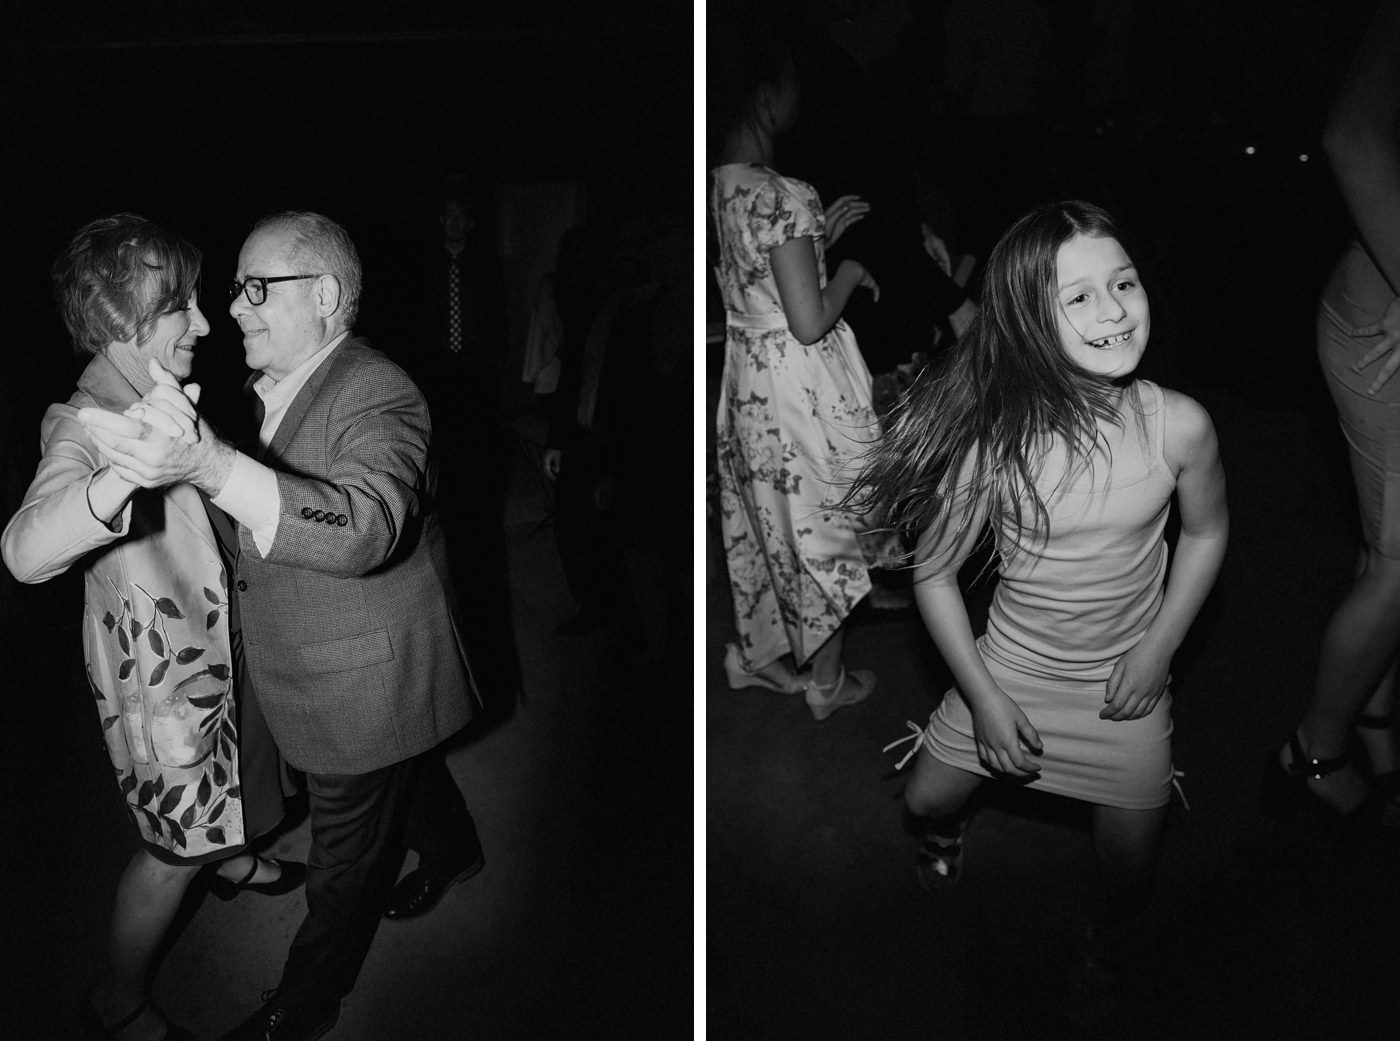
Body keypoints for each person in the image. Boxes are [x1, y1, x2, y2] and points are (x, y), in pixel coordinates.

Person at [77, 211, 481, 1041]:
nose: (233, 308)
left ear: (324, 295)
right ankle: (456, 850)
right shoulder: (270, 388)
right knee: (406, 772)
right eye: (235, 289)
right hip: (336, 663)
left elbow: (366, 525)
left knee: (343, 869)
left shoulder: (376, 388)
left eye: (257, 288)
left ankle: (302, 1005)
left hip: (359, 677)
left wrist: (210, 464)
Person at [853, 200, 1227, 1019]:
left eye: (1124, 282)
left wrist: (1161, 646)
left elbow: (1207, 534)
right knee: (923, 802)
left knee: (1131, 872)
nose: (1115, 310)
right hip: (1012, 672)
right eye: (1080, 297)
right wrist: (985, 696)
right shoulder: (994, 442)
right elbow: (933, 575)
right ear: (1027, 322)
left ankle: (1105, 936)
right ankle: (949, 835)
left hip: (1124, 689)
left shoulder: (1180, 427)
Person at [1, 214, 304, 1041]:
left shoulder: (162, 389)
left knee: (242, 780)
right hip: (168, 686)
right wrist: (120, 479)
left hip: (226, 649)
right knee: (168, 856)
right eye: (180, 307)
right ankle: (118, 997)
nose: (204, 322)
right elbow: (25, 551)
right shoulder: (83, 421)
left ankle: (231, 857)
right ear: (117, 318)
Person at [709, 39, 895, 720]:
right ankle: (827, 681)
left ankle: (754, 658)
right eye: (791, 85)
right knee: (826, 526)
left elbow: (761, 280)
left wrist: (817, 244)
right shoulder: (783, 194)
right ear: (766, 98)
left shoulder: (722, 184)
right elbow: (810, 321)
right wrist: (845, 270)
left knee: (766, 524)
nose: (798, 97)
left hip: (749, 384)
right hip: (797, 389)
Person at [1264, 0, 1400, 824]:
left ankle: (1374, 721)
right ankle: (1314, 754)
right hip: (1384, 330)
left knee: (1386, 551)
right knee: (1397, 564)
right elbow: (1352, 133)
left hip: (1378, 313)